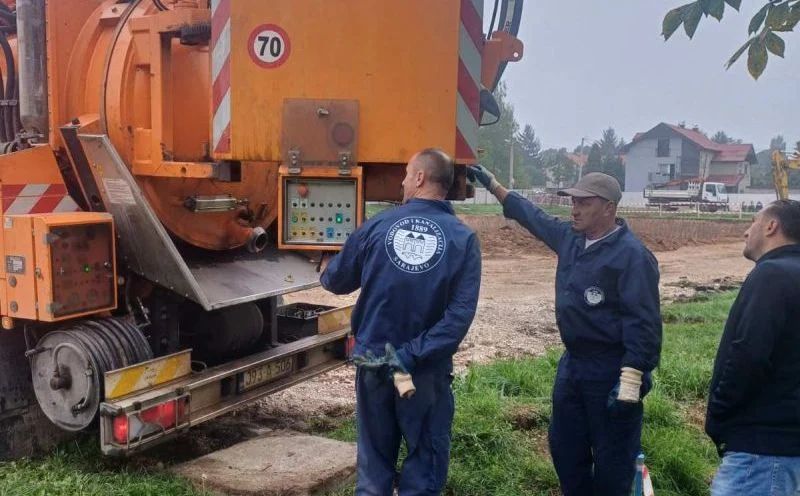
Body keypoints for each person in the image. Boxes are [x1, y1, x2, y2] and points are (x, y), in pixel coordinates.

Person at [468, 166, 661, 496]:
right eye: (574, 201)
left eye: (585, 203)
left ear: (609, 208)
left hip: (612, 371)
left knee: (613, 458)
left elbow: (643, 324)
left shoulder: (632, 257)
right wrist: (495, 185)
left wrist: (630, 383)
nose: (575, 209)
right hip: (573, 366)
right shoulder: (571, 238)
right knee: (565, 448)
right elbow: (533, 216)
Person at [320, 148, 481, 495]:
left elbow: (334, 281)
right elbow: (458, 319)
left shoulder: (376, 226)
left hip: (374, 363)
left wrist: (326, 262)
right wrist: (410, 355)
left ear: (421, 178)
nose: (403, 181)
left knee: (374, 465)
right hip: (423, 372)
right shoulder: (462, 239)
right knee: (424, 465)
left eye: (407, 174)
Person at [706, 199, 800, 496]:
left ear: (772, 226)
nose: (747, 232)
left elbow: (749, 354)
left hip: (761, 450)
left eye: (753, 222)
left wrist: (719, 413)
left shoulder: (772, 275)